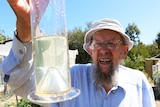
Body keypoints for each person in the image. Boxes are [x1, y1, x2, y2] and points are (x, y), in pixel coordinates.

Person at [0, 0, 156, 107]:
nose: (103, 50)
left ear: (124, 51)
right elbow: (19, 82)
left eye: (111, 43)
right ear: (89, 50)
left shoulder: (139, 83)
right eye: (97, 44)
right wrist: (27, 26)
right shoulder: (70, 79)